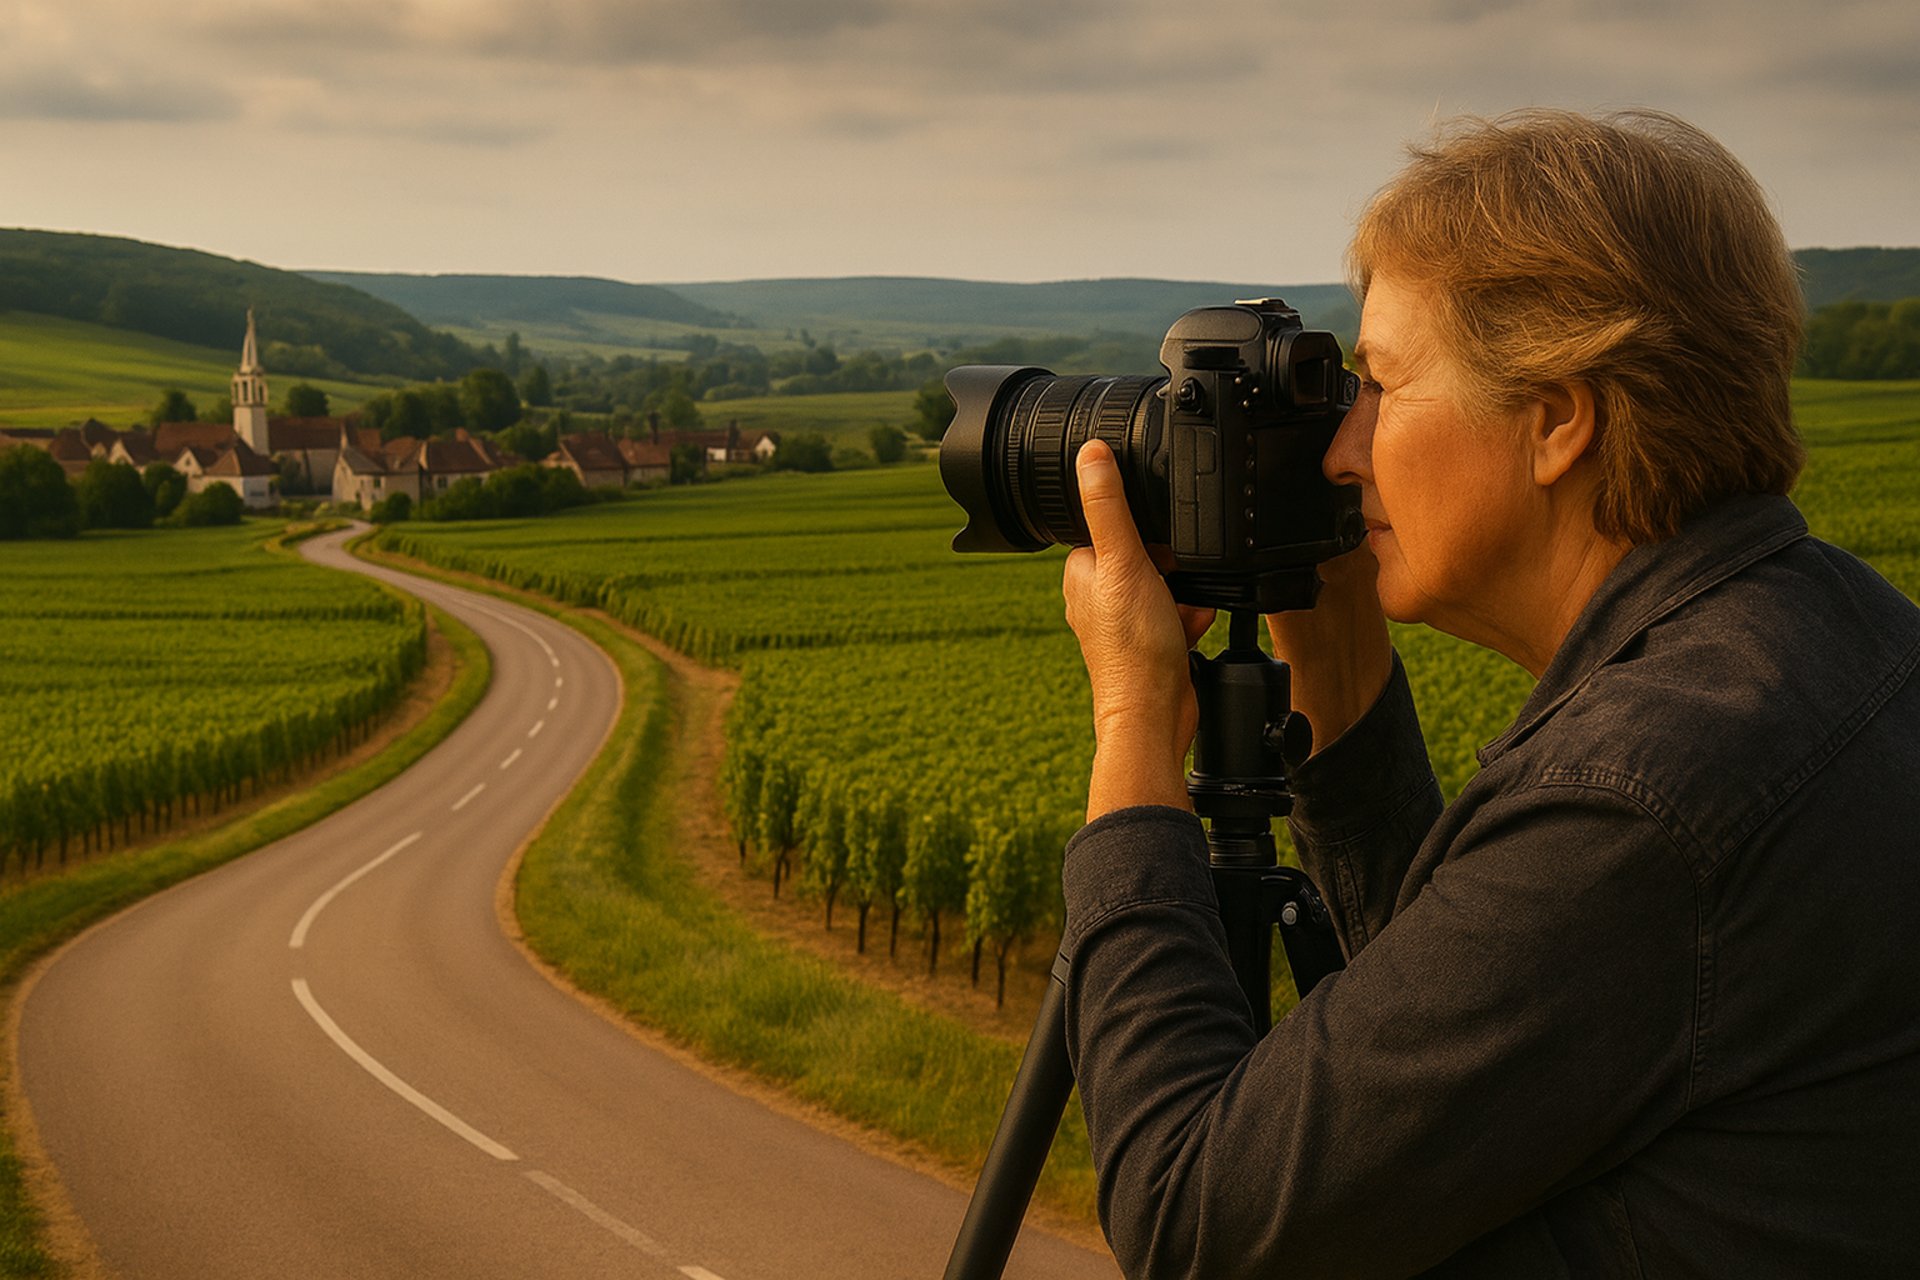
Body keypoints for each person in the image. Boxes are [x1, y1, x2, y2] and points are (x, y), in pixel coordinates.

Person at [1057, 109, 1920, 1278]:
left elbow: (1194, 1213)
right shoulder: (1843, 635)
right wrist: (1341, 654)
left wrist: (1130, 731)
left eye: (1380, 386)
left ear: (1558, 419)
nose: (1341, 450)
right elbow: (1448, 1042)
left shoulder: (1642, 797)